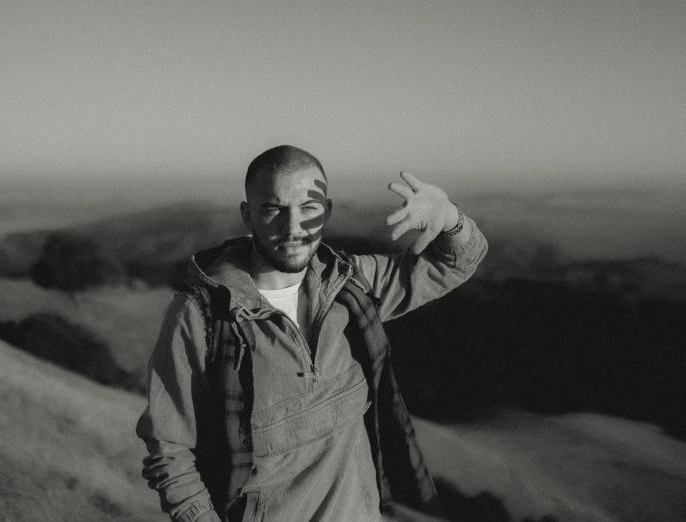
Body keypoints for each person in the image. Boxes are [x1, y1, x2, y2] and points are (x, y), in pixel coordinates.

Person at [136, 145, 488, 522]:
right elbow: (170, 453)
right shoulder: (201, 317)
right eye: (273, 209)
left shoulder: (350, 287)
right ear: (247, 215)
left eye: (309, 208)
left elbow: (456, 262)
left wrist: (450, 218)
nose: (293, 228)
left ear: (327, 211)